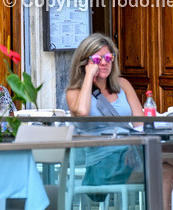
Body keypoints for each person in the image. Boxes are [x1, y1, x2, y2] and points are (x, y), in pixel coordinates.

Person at [65, 33, 156, 204]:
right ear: (86, 62)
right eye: (98, 59)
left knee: (169, 168)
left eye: (108, 57)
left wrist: (133, 147)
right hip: (101, 163)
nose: (105, 62)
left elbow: (140, 123)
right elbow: (82, 111)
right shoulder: (74, 92)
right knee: (168, 163)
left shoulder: (122, 84)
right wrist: (88, 77)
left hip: (130, 154)